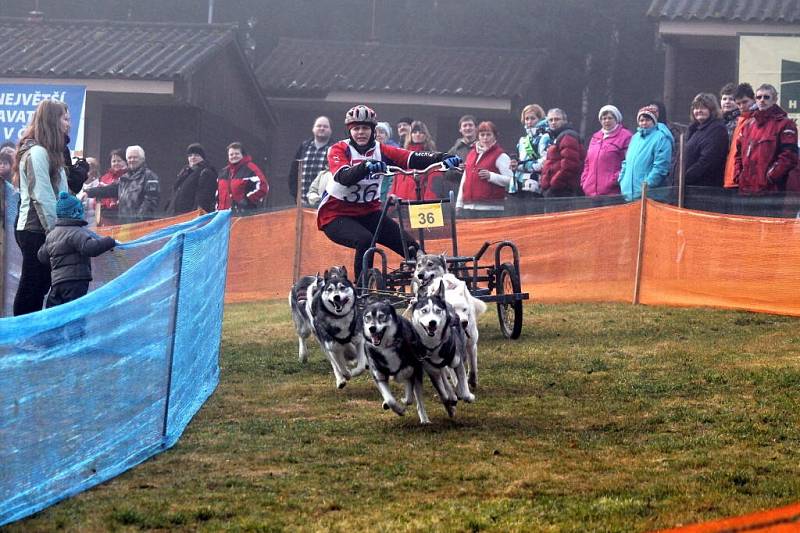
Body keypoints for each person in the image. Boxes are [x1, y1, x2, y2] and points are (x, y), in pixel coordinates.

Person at [319, 105, 460, 281]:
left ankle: (435, 285)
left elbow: (412, 158)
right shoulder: (339, 149)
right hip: (335, 214)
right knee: (365, 240)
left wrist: (442, 157)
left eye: (365, 128)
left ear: (373, 130)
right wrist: (366, 166)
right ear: (349, 131)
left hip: (368, 212)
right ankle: (363, 291)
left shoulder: (382, 150)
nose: (360, 132)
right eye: (356, 129)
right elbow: (343, 177)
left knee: (412, 248)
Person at [12, 99, 71, 315]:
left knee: (42, 284)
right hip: (35, 230)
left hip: (48, 230)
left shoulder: (53, 153)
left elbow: (62, 193)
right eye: (65, 119)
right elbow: (42, 197)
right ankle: (23, 337)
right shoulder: (36, 153)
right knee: (32, 286)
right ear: (52, 121)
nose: (68, 124)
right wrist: (57, 233)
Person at [36, 191, 117, 308]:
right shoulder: (77, 232)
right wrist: (110, 241)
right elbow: (91, 248)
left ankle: (54, 327)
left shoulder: (52, 235)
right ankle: (76, 327)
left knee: (55, 313)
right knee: (75, 312)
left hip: (57, 282)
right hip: (76, 282)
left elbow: (42, 256)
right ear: (75, 212)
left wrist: (57, 262)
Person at [734, 83, 798, 196]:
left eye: (766, 97)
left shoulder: (785, 124)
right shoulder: (748, 125)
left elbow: (789, 156)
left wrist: (769, 177)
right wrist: (739, 175)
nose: (762, 100)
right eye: (759, 97)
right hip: (745, 189)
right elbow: (738, 154)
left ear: (775, 100)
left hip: (770, 191)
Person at [85, 145, 160, 223]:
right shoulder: (125, 178)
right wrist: (89, 192)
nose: (132, 160)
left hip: (140, 226)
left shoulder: (150, 176)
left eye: (135, 157)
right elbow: (111, 189)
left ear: (142, 159)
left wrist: (138, 220)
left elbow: (150, 202)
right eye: (130, 158)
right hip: (124, 225)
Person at [618, 105, 674, 201]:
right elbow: (626, 161)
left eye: (647, 120)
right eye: (641, 120)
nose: (644, 123)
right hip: (629, 194)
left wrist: (647, 185)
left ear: (654, 121)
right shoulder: (635, 137)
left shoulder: (661, 137)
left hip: (650, 196)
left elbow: (661, 166)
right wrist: (622, 180)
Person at [457, 121, 512, 211]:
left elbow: (511, 181)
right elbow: (464, 179)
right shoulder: (471, 154)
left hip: (490, 208)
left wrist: (491, 176)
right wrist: (459, 204)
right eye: (482, 135)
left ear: (494, 136)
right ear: (478, 137)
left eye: (488, 134)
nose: (485, 138)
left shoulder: (501, 155)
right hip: (468, 207)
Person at [580, 105, 632, 196]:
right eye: (603, 118)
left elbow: (629, 162)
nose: (606, 121)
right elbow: (587, 162)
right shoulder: (595, 137)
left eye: (610, 118)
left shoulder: (626, 136)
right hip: (591, 192)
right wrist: (585, 181)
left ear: (616, 119)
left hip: (613, 192)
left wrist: (614, 180)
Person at [682, 93, 729, 188]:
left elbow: (708, 161)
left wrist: (685, 177)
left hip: (705, 188)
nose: (699, 111)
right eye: (696, 108)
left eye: (703, 108)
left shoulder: (717, 129)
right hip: (689, 187)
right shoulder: (694, 130)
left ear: (712, 110)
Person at [391, 120, 441, 200]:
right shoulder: (402, 156)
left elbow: (433, 187)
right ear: (410, 135)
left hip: (419, 204)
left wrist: (428, 204)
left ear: (425, 135)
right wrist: (391, 200)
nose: (417, 134)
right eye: (414, 132)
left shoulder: (432, 157)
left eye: (421, 132)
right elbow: (395, 183)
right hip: (399, 204)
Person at [540, 108, 584, 197]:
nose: (553, 122)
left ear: (564, 121)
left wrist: (554, 185)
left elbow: (570, 165)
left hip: (563, 190)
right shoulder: (557, 137)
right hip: (557, 189)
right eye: (550, 120)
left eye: (557, 119)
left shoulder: (567, 136)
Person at [288, 116, 333, 204]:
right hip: (302, 202)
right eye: (319, 126)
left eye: (325, 126)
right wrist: (295, 195)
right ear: (313, 129)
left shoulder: (335, 149)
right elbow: (293, 172)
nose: (322, 128)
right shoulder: (304, 147)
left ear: (330, 130)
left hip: (324, 204)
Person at [216, 142, 269, 213]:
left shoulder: (250, 168)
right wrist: (217, 209)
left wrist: (247, 200)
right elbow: (218, 194)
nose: (234, 156)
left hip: (244, 214)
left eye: (237, 153)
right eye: (231, 154)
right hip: (222, 215)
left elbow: (263, 187)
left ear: (243, 155)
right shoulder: (223, 172)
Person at [722, 83, 756, 192]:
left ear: (753, 99)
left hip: (743, 179)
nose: (741, 106)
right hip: (732, 177)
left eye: (745, 102)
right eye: (739, 103)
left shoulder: (752, 120)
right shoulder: (740, 120)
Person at [167, 143, 217, 215]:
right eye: (190, 155)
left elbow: (203, 199)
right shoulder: (185, 172)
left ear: (202, 157)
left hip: (191, 218)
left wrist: (194, 215)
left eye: (196, 155)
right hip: (177, 216)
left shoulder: (206, 172)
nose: (193, 157)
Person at [510, 104, 548, 196]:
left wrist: (521, 166)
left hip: (535, 182)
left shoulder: (545, 137)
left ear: (540, 119)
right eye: (527, 119)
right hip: (519, 181)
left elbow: (544, 163)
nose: (529, 121)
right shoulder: (522, 140)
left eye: (533, 118)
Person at [444, 115, 478, 195]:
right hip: (459, 191)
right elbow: (444, 172)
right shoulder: (454, 151)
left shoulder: (483, 148)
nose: (468, 128)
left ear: (476, 128)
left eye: (470, 125)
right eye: (465, 125)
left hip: (478, 190)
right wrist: (455, 169)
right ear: (460, 129)